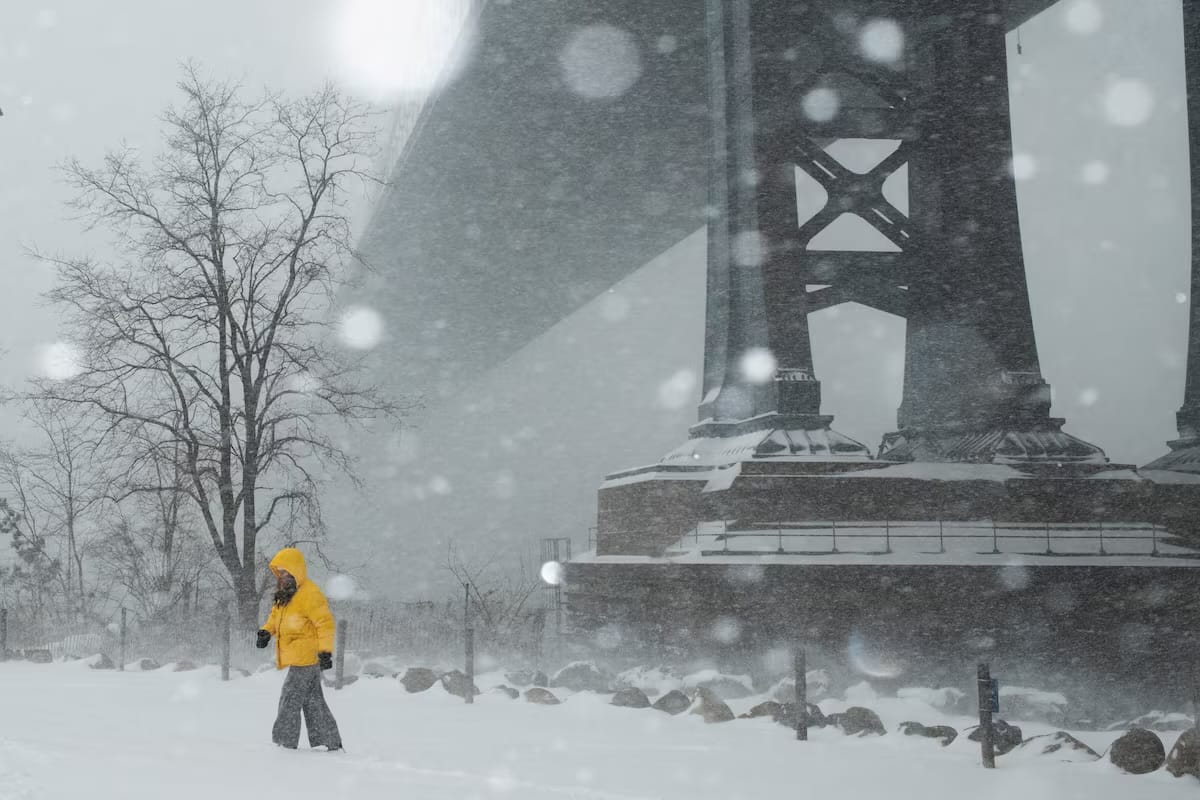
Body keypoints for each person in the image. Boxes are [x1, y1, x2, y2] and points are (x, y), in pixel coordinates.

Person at [256, 546, 343, 752]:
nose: (283, 577)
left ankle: (284, 742)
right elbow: (276, 618)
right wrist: (266, 631)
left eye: (286, 572)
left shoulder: (310, 594)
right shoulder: (285, 595)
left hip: (307, 656)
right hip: (299, 657)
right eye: (280, 573)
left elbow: (325, 624)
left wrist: (325, 651)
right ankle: (330, 741)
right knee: (313, 701)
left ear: (296, 571)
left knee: (290, 697)